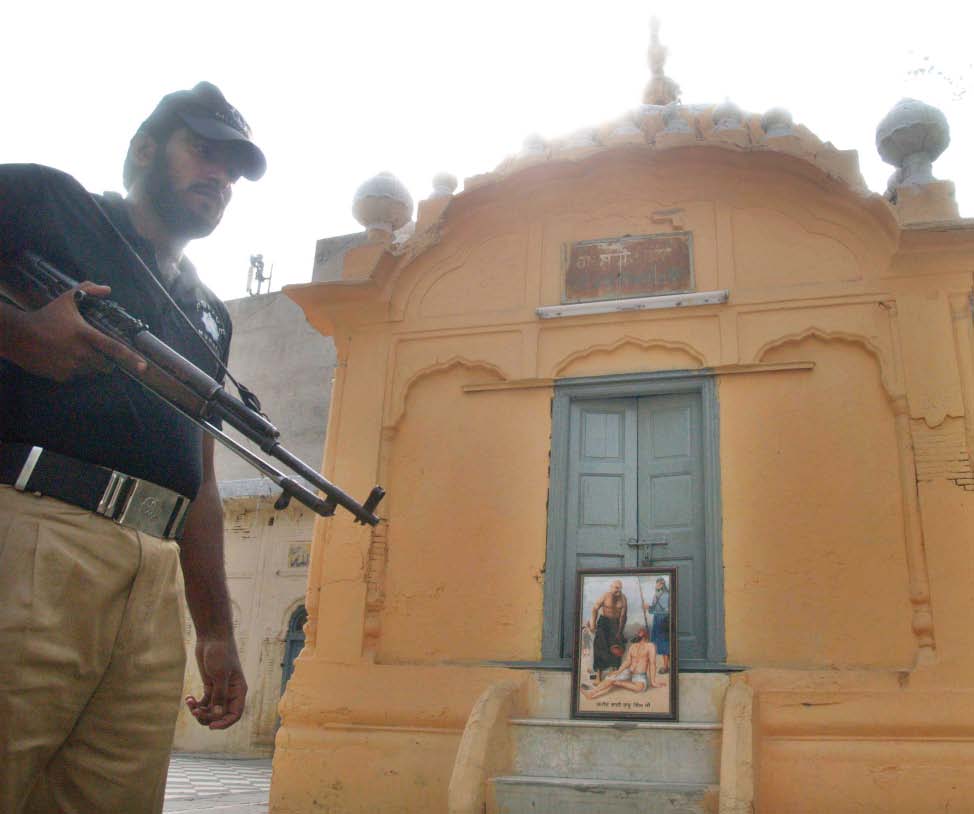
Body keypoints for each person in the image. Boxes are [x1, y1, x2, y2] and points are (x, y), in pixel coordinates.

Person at [0, 81, 266, 814]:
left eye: (232, 170)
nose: (218, 177)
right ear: (144, 151)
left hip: (152, 574)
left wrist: (216, 633)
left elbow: (202, 481)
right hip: (33, 527)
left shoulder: (209, 314)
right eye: (202, 152)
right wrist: (18, 333)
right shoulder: (49, 204)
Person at [581, 628, 661, 700]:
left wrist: (653, 681)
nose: (638, 634)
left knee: (639, 688)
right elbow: (628, 661)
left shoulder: (650, 646)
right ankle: (591, 693)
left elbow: (652, 664)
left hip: (639, 675)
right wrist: (618, 671)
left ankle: (616, 682)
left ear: (645, 635)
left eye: (640, 633)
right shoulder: (633, 646)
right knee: (611, 676)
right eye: (638, 633)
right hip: (629, 671)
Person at [586, 578, 628, 680]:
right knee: (600, 647)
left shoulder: (623, 598)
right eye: (617, 588)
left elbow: (623, 616)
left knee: (616, 647)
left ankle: (613, 675)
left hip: (616, 624)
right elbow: (595, 608)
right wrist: (593, 624)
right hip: (604, 622)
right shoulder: (605, 596)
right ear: (611, 587)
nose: (619, 591)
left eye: (620, 589)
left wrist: (620, 631)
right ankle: (599, 676)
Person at [645, 576, 671, 674]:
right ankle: (666, 665)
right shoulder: (656, 595)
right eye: (656, 583)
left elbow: (666, 610)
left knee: (665, 643)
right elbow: (653, 610)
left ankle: (666, 666)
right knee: (660, 643)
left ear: (663, 585)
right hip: (657, 620)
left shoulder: (666, 595)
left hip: (664, 620)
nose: (657, 585)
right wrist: (648, 607)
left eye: (659, 583)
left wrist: (652, 609)